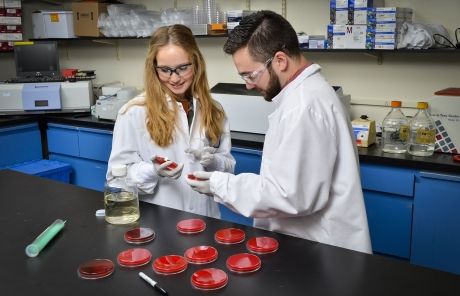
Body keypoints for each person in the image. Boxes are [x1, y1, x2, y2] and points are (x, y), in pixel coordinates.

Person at [186, 11, 372, 253]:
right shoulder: (306, 95)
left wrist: (220, 185)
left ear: (280, 61)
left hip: (319, 250)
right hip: (312, 246)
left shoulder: (303, 107)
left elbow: (290, 196)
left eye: (251, 74)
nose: (248, 85)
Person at [107, 24, 235, 218]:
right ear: (154, 68)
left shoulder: (214, 110)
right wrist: (151, 171)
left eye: (183, 68)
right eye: (165, 70)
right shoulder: (134, 112)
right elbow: (116, 180)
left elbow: (228, 168)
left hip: (206, 221)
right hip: (160, 225)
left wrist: (214, 161)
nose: (175, 78)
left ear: (196, 63)